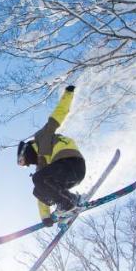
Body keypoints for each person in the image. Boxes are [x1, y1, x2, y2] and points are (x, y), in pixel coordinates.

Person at [16, 85, 86, 224]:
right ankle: (66, 206)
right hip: (68, 176)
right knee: (37, 190)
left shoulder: (43, 136)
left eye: (23, 161)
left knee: (38, 178)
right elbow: (41, 195)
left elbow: (58, 114)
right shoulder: (43, 165)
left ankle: (68, 202)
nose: (28, 164)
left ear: (25, 151)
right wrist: (45, 217)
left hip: (71, 163)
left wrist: (68, 94)